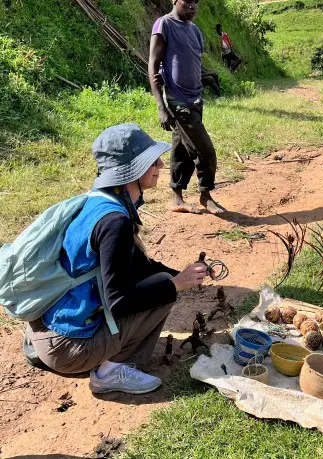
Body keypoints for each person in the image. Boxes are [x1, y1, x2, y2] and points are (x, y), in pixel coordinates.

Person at [22, 124, 210, 394]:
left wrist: (183, 274)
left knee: (162, 279)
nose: (159, 164)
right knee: (165, 291)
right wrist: (176, 285)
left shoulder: (99, 202)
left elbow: (137, 267)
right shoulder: (116, 223)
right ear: (130, 171)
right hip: (68, 350)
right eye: (150, 161)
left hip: (47, 330)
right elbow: (120, 303)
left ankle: (63, 348)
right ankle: (111, 370)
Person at [149, 0, 224, 215]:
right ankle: (205, 194)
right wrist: (161, 107)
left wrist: (205, 78)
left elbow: (191, 63)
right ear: (175, 1)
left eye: (196, 2)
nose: (192, 6)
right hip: (177, 101)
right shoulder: (164, 25)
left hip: (195, 99)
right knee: (205, 150)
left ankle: (177, 198)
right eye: (187, 1)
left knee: (181, 149)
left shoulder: (195, 31)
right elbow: (153, 64)